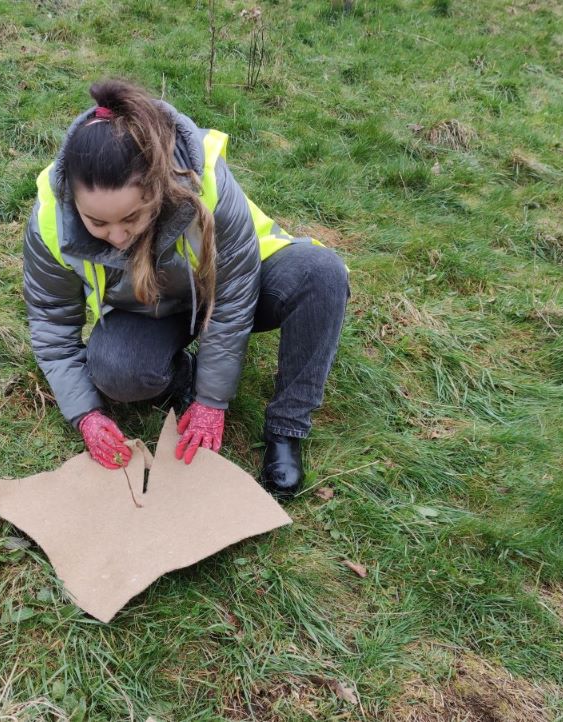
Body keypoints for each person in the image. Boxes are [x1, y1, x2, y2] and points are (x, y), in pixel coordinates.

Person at [23, 80, 348, 498]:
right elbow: (51, 323)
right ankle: (183, 377)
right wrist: (85, 414)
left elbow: (233, 297)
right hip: (148, 308)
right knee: (115, 370)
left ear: (157, 187)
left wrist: (213, 402)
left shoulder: (204, 180)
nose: (118, 236)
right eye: (97, 224)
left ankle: (287, 428)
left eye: (131, 218)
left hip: (230, 284)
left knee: (321, 272)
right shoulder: (51, 219)